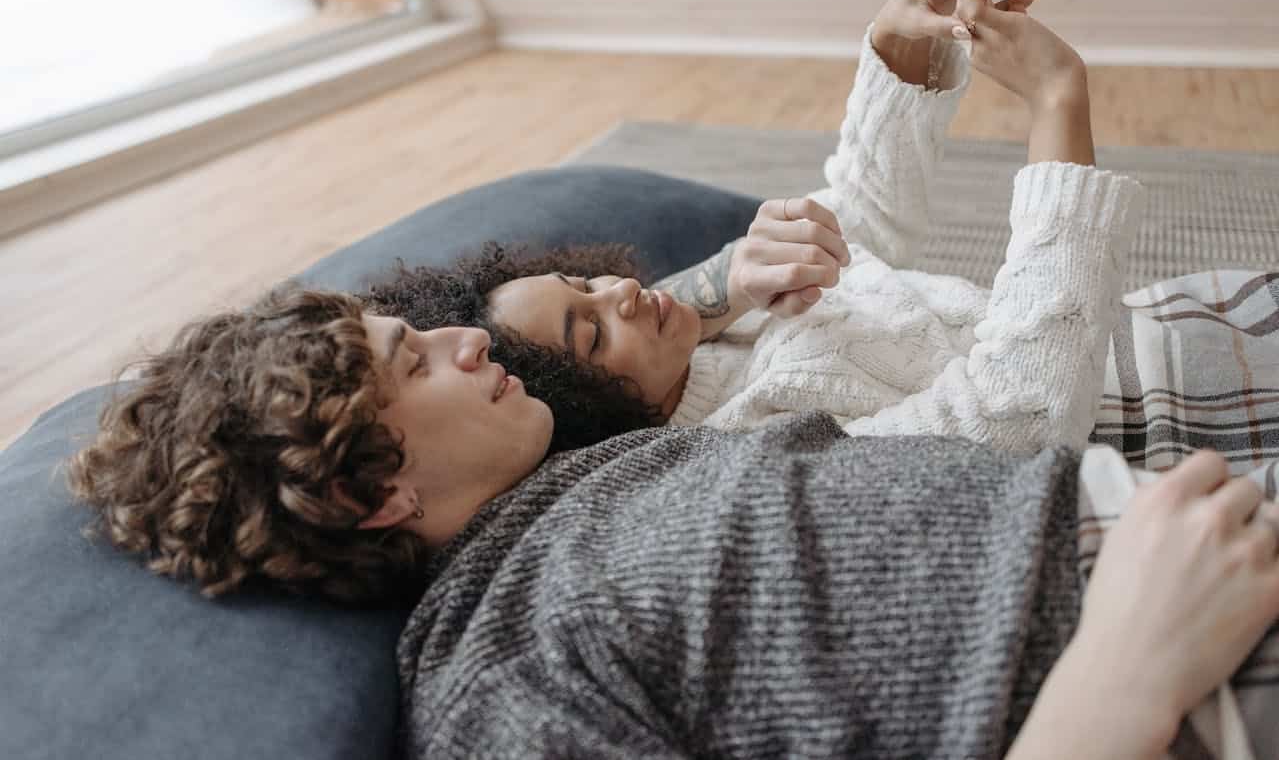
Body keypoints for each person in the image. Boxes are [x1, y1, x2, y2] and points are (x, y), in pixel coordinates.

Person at [67, 284, 1279, 757]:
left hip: (1185, 525)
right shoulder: (497, 679)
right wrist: (1130, 671)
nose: (468, 335)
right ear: (370, 490)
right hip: (1186, 669)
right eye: (414, 359)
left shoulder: (591, 473)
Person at [365, 0, 1153, 457]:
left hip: (1140, 323)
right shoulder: (756, 430)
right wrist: (1056, 103)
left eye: (585, 282)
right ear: (581, 408)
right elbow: (1020, 415)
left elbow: (861, 224)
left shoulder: (700, 329)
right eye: (593, 332)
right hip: (1144, 404)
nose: (622, 293)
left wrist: (901, 39)